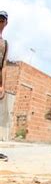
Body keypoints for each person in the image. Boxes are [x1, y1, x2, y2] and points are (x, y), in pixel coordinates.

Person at [0, 11, 9, 162]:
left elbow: (4, 66)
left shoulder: (5, 44)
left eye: (2, 20)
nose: (0, 22)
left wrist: (2, 85)